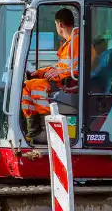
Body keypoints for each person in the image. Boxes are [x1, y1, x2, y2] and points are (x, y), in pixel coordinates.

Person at [21, 8, 79, 137]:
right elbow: (60, 67)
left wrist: (60, 72)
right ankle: (33, 129)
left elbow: (79, 69)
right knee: (26, 86)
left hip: (67, 84)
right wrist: (38, 73)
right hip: (61, 80)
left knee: (36, 87)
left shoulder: (76, 42)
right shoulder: (70, 42)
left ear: (60, 24)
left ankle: (46, 126)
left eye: (55, 25)